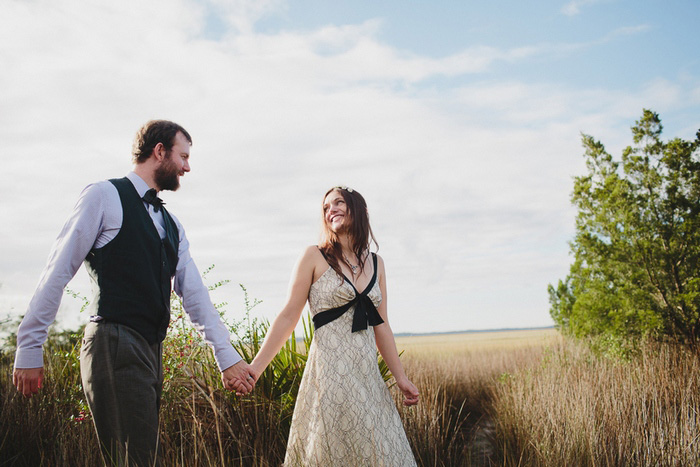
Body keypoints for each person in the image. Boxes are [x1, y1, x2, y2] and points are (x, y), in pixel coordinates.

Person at [12, 120, 257, 466]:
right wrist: (29, 345)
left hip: (149, 350)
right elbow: (57, 270)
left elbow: (195, 294)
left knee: (138, 456)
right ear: (159, 152)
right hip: (113, 342)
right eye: (183, 156)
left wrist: (226, 356)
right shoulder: (103, 195)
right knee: (136, 459)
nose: (187, 167)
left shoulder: (172, 225)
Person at [242, 186, 419, 466]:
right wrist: (254, 369)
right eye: (326, 207)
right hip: (329, 376)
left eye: (338, 203)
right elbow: (289, 315)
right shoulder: (314, 256)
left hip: (367, 378)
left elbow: (381, 326)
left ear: (359, 210)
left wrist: (400, 378)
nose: (330, 210)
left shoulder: (377, 263)